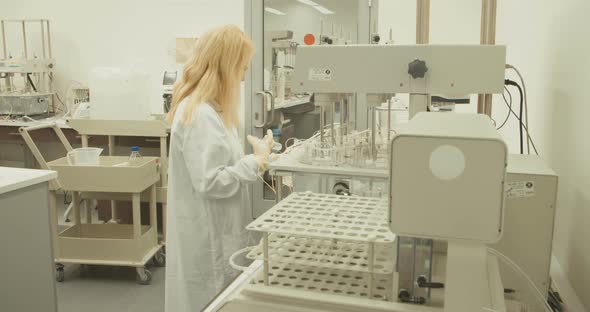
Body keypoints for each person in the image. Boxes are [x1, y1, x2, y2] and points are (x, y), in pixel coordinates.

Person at [165, 25, 273, 312]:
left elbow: (219, 166)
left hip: (217, 228)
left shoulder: (211, 111)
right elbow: (212, 182)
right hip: (208, 238)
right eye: (242, 68)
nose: (244, 76)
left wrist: (253, 156)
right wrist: (256, 162)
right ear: (226, 66)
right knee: (211, 300)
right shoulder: (200, 115)